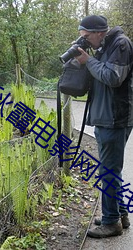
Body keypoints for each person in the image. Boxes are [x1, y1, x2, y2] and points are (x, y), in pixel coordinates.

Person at [75, 15, 133, 238]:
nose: (86, 41)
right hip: (105, 117)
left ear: (99, 32)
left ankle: (111, 223)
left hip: (115, 118)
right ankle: (119, 214)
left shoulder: (121, 44)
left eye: (87, 37)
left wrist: (88, 61)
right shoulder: (104, 46)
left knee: (108, 172)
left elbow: (112, 77)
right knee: (110, 170)